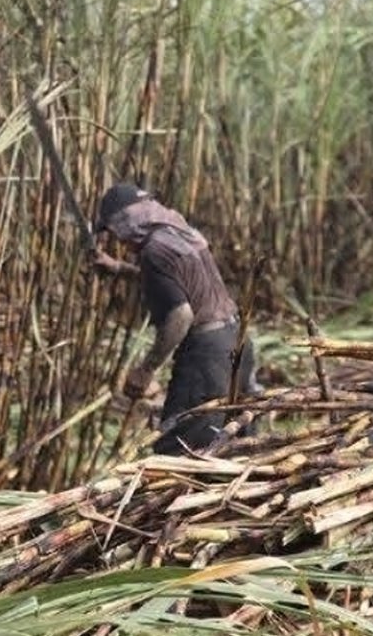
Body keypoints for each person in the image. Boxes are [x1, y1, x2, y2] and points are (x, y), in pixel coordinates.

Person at [91, 182, 261, 456]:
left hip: (208, 358)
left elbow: (181, 315)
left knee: (180, 451)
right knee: (234, 448)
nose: (118, 242)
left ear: (126, 224)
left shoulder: (154, 251)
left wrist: (146, 370)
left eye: (114, 233)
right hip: (237, 341)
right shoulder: (181, 235)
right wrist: (119, 268)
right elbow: (176, 280)